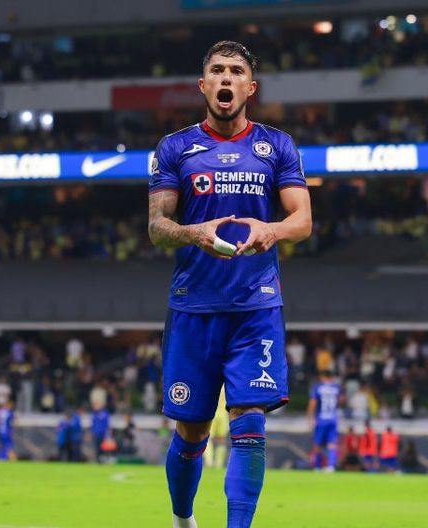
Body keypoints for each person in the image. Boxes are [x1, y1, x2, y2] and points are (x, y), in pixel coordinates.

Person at [148, 40, 312, 528]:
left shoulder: (277, 146)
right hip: (194, 307)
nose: (226, 78)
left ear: (250, 87)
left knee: (250, 425)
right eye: (217, 70)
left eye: (236, 71)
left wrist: (272, 230)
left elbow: (302, 220)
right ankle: (183, 519)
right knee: (192, 433)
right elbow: (157, 228)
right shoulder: (174, 148)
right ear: (203, 85)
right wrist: (193, 233)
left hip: (255, 306)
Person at [307, 371, 341, 472]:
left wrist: (310, 416)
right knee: (332, 443)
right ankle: (331, 466)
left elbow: (313, 402)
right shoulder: (336, 388)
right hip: (333, 419)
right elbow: (340, 401)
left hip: (321, 419)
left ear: (322, 377)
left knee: (317, 444)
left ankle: (317, 466)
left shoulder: (318, 387)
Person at [205, 388, 230, 470]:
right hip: (223, 414)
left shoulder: (211, 382)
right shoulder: (227, 384)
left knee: (208, 438)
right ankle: (218, 464)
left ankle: (209, 462)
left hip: (211, 413)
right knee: (221, 439)